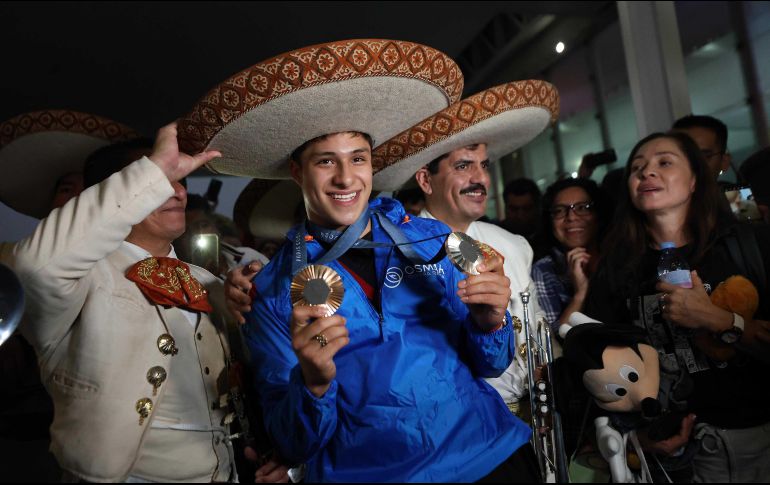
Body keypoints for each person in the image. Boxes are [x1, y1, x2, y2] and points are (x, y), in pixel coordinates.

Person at [196, 40, 539, 482]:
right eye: (326, 161)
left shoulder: (436, 241)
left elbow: (492, 363)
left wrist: (491, 323)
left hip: (489, 455)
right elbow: (292, 442)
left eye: (358, 158)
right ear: (298, 173)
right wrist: (313, 384)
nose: (345, 178)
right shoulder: (271, 292)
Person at [8, 123, 288, 482]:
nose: (178, 192)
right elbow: (31, 268)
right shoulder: (78, 281)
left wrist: (275, 450)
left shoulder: (209, 282)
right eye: (161, 180)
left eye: (180, 180)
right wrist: (152, 170)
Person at [583, 131, 770, 482]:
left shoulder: (749, 244)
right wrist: (633, 437)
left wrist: (717, 319)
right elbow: (598, 363)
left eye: (665, 162)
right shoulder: (616, 266)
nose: (647, 172)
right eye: (637, 167)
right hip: (672, 457)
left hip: (757, 440)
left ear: (696, 178)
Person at [371, 80, 559, 422]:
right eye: (463, 166)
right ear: (425, 181)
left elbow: (536, 330)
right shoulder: (396, 253)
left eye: (484, 165)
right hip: (455, 424)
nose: (480, 179)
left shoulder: (514, 245)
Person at [0, 110, 140, 482]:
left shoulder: (143, 269)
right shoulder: (13, 258)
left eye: (94, 192)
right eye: (67, 190)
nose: (81, 202)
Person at [531, 178, 611, 334]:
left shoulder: (619, 257)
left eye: (582, 208)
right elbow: (551, 341)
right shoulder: (544, 270)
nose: (571, 217)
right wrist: (580, 293)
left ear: (599, 215)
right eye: (560, 211)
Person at [672, 114, 732, 182]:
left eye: (702, 156)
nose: (690, 165)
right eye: (680, 156)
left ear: (724, 162)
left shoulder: (740, 190)